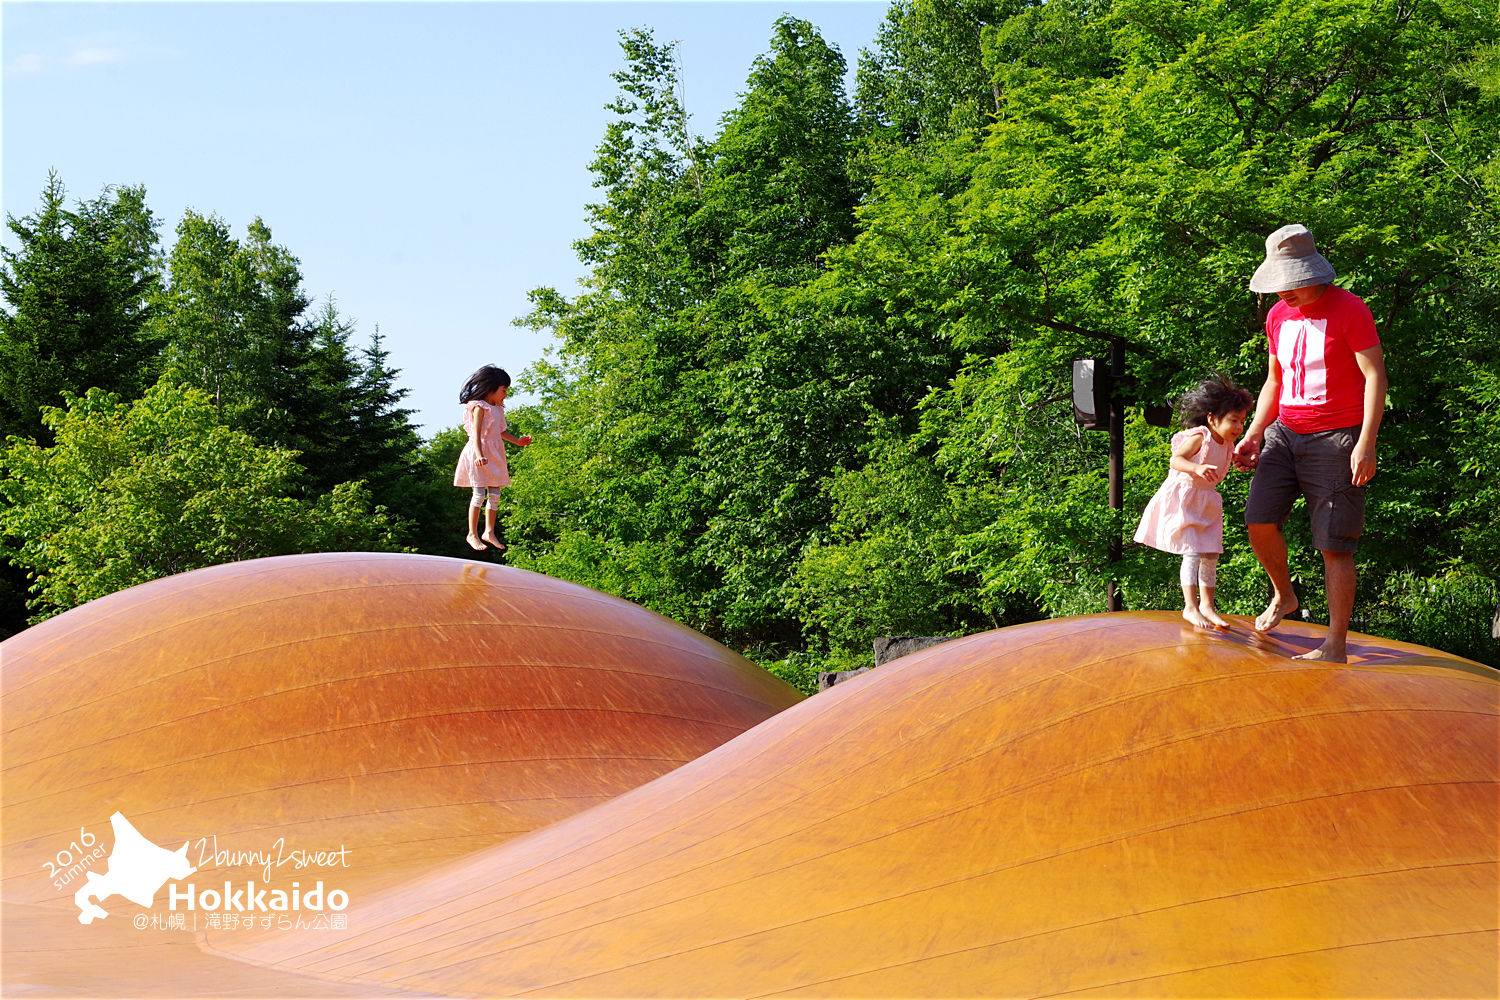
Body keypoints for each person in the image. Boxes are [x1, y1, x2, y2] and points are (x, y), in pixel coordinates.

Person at [1233, 224, 1387, 662]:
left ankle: (1335, 645)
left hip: (1338, 438)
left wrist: (1366, 442)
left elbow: (1375, 375)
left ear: (1310, 273)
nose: (1283, 293)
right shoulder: (1277, 316)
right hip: (1285, 433)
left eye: (1290, 283)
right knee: (1258, 520)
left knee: (1334, 545)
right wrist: (1254, 432)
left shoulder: (1350, 310)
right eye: (1277, 284)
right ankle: (1285, 595)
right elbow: (1274, 380)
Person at [1135, 376, 1253, 630]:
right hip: (1185, 497)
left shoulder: (1228, 443)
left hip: (1207, 502)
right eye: (1234, 420)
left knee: (1211, 553)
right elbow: (1176, 460)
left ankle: (1208, 606)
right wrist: (1196, 467)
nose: (1238, 427)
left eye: (1242, 421)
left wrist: (1243, 459)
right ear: (1212, 419)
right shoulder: (1201, 436)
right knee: (1192, 551)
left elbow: (1227, 458)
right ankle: (1190, 606)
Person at [453, 365, 532, 551]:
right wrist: (479, 455)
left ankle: (489, 531)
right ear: (491, 389)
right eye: (503, 390)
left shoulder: (498, 409)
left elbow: (501, 431)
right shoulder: (479, 408)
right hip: (478, 452)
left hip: (494, 453)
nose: (505, 394)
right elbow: (475, 433)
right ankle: (472, 533)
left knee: (495, 494)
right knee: (479, 494)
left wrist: (518, 441)